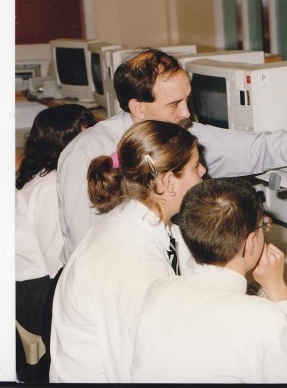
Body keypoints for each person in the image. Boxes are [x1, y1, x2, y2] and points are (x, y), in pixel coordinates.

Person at [56, 48, 287, 264]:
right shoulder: (86, 153)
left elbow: (259, 147)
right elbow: (85, 254)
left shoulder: (184, 135)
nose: (187, 113)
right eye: (175, 104)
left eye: (188, 100)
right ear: (138, 107)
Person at [49, 120, 206, 383]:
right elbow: (138, 371)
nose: (203, 171)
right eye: (195, 166)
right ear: (168, 183)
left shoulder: (150, 223)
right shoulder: (129, 265)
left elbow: (194, 277)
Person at [130, 178, 287, 383]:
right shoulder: (265, 319)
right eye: (262, 226)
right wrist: (278, 292)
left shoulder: (158, 291)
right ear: (250, 243)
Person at [15, 104, 95, 382]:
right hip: (37, 290)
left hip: (40, 284)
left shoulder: (50, 175)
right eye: (85, 136)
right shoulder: (51, 186)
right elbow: (57, 264)